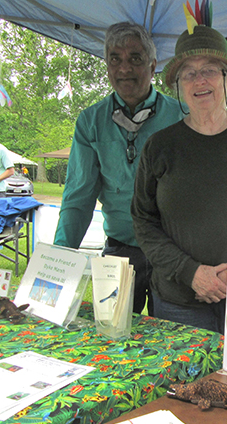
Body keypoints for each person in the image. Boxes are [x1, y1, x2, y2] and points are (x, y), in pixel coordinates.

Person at [131, 20, 227, 334]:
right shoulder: (159, 146)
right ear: (178, 84)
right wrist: (190, 272)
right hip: (179, 303)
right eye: (188, 72)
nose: (199, 80)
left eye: (210, 70)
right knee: (181, 385)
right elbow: (143, 220)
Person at [54, 22, 185, 315]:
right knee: (111, 337)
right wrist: (58, 260)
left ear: (153, 67)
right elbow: (78, 197)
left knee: (175, 340)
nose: (124, 68)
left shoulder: (182, 116)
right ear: (107, 66)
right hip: (119, 251)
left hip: (174, 254)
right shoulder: (90, 122)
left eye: (135, 58)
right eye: (115, 58)